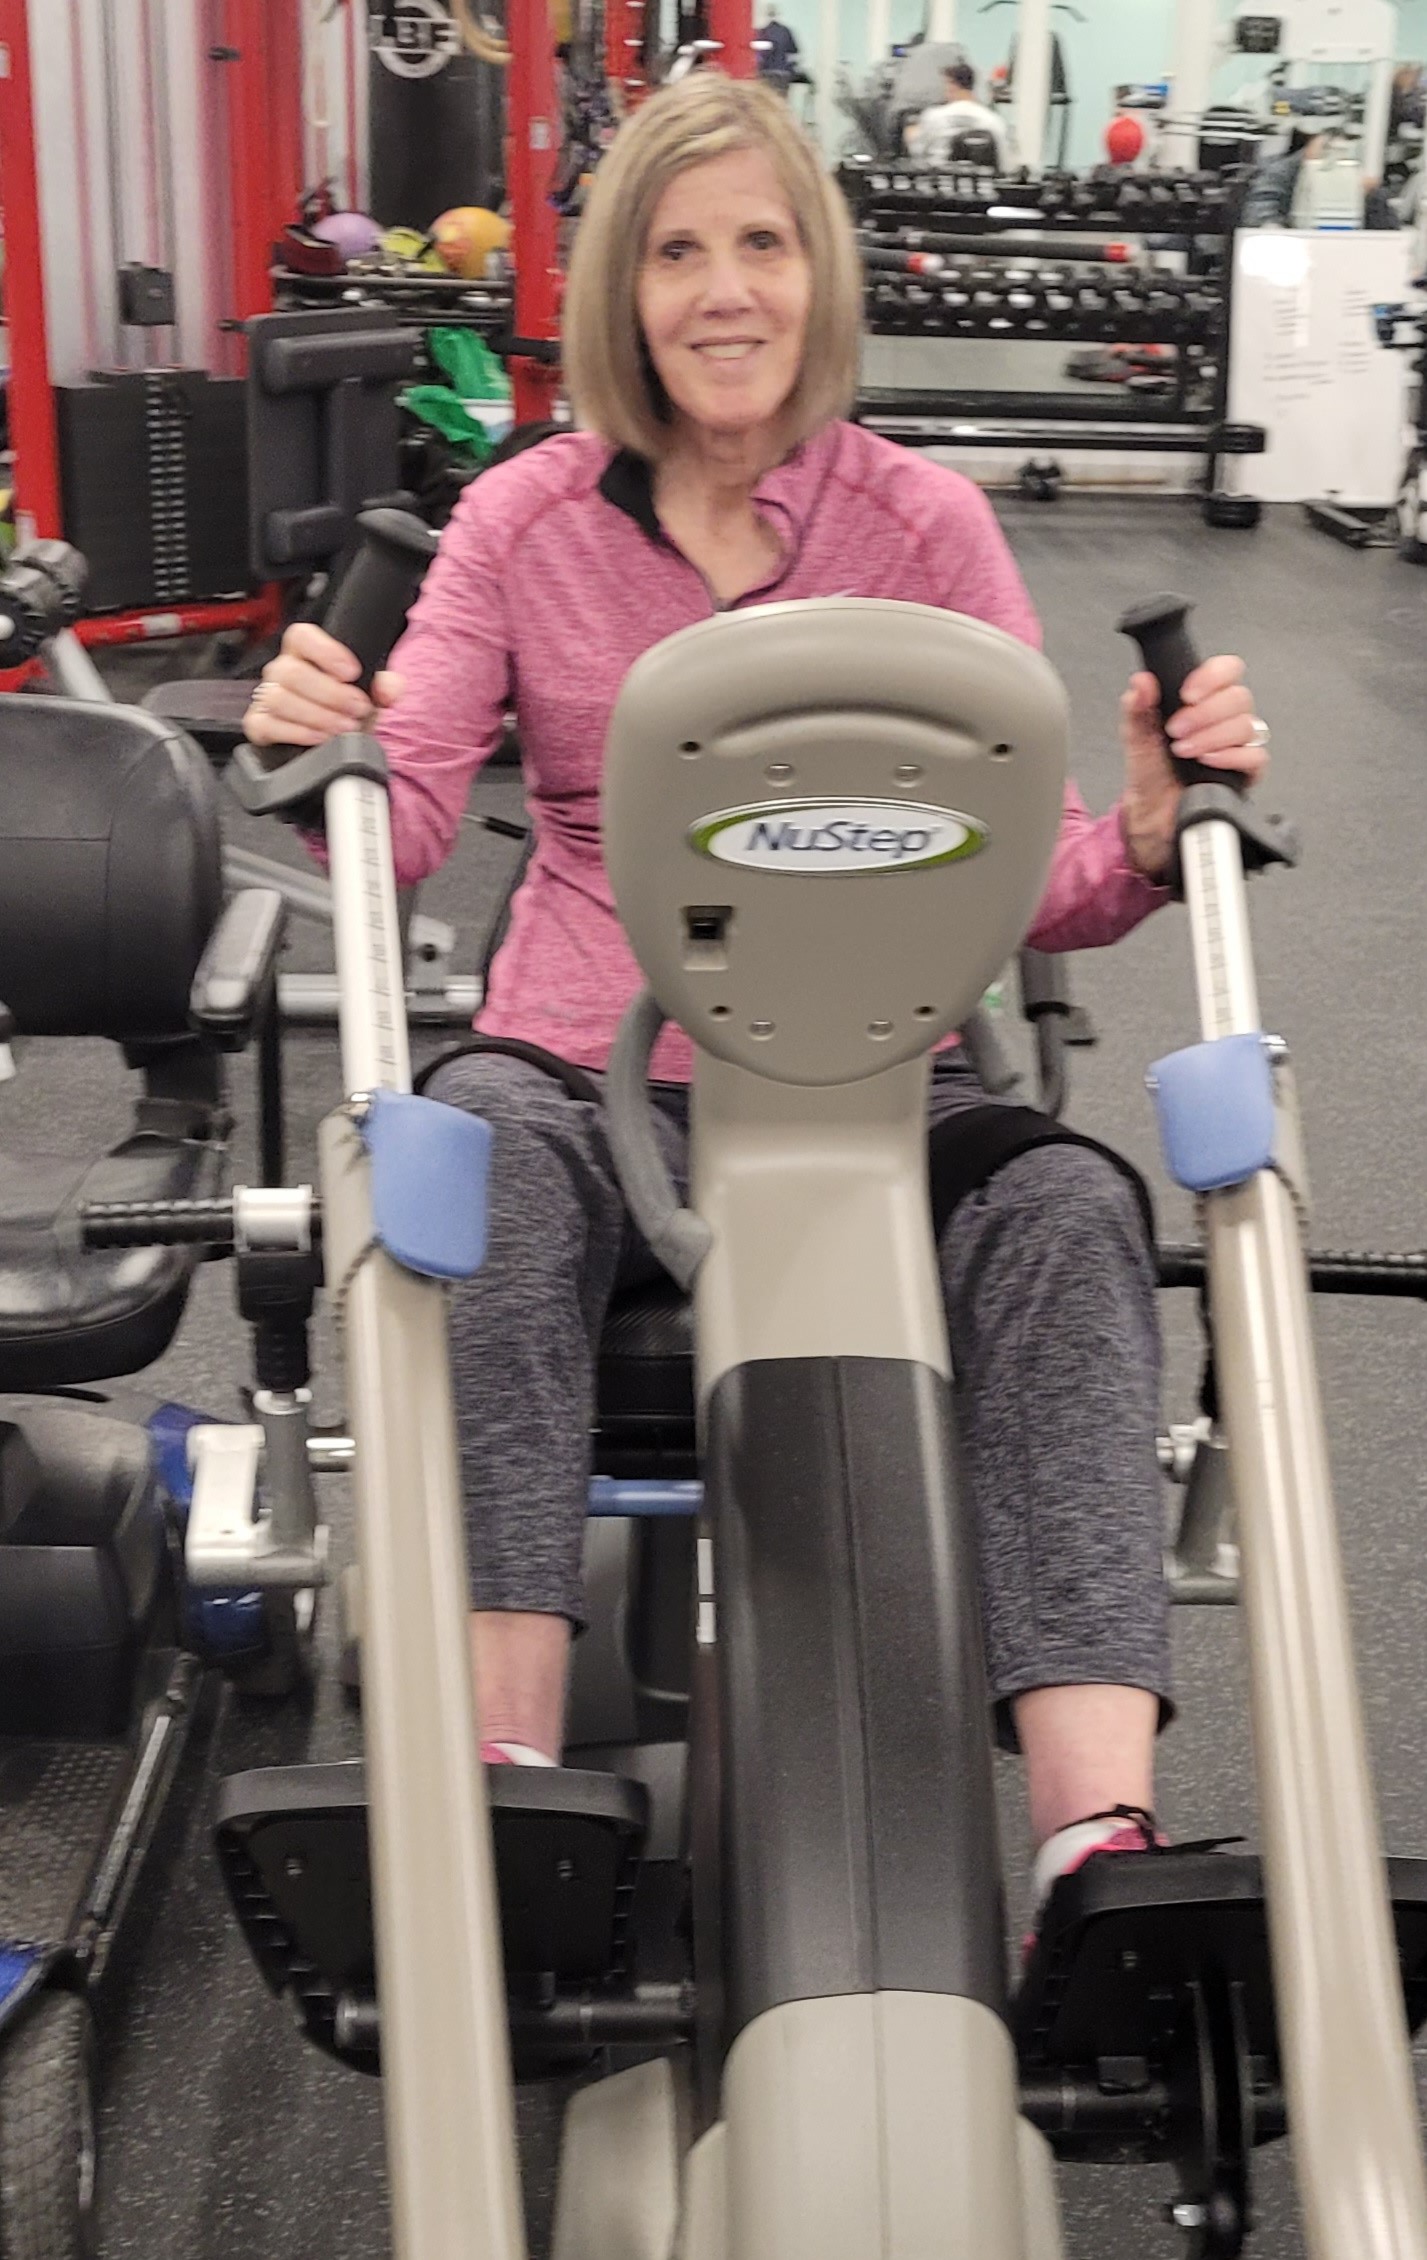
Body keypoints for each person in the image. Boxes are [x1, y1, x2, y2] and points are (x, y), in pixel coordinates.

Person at [243, 75, 1268, 1931]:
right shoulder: (520, 522)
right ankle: (504, 1787)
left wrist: (1125, 826)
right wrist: (326, 742)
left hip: (888, 1076)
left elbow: (1028, 875)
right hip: (582, 1067)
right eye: (677, 251)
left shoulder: (926, 524)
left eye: (762, 245)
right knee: (472, 1154)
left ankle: (1093, 1844)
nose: (723, 292)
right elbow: (389, 835)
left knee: (1064, 1206)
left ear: (822, 275)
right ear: (624, 295)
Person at [906, 59, 1011, 169]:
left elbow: (917, 155)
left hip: (939, 182)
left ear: (951, 84)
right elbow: (1004, 159)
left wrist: (910, 137)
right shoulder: (993, 120)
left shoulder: (933, 116)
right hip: (983, 183)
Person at [753, 4, 802, 92]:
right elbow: (794, 52)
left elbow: (757, 55)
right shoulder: (786, 32)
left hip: (766, 73)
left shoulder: (761, 32)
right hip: (783, 73)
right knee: (780, 101)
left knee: (767, 101)